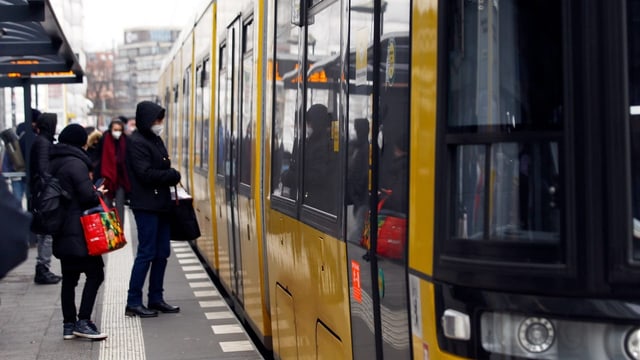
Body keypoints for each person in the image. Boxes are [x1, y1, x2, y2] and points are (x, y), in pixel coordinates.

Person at [49, 123, 108, 340]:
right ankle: (83, 321)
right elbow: (86, 196)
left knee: (69, 278)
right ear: (79, 142)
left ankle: (68, 325)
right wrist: (97, 191)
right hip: (79, 231)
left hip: (61, 229)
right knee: (95, 274)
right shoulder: (76, 164)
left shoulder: (54, 162)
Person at [125, 101, 181, 318]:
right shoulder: (137, 142)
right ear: (147, 120)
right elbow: (145, 174)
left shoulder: (155, 139)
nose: (160, 124)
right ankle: (133, 301)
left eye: (161, 119)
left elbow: (160, 166)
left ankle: (156, 298)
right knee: (146, 252)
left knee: (161, 253)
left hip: (161, 205)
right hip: (146, 205)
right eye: (157, 120)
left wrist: (168, 174)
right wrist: (172, 175)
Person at [29, 112, 62, 285]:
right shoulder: (43, 143)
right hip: (45, 195)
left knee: (44, 233)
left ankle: (42, 268)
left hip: (41, 193)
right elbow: (43, 170)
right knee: (47, 233)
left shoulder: (41, 141)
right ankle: (43, 268)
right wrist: (55, 188)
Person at [302, 104, 337, 213]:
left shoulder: (322, 146)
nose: (308, 126)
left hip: (317, 205)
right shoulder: (318, 142)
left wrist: (290, 177)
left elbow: (316, 176)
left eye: (309, 123)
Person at [96, 119, 130, 224]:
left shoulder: (126, 140)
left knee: (120, 206)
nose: (117, 132)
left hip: (121, 179)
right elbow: (98, 159)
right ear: (110, 129)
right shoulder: (104, 139)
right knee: (106, 205)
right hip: (107, 178)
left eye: (119, 130)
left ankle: (120, 232)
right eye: (115, 129)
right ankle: (108, 231)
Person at [347, 118, 370, 243]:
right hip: (359, 197)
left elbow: (360, 175)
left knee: (358, 232)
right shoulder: (357, 147)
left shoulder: (363, 149)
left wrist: (355, 195)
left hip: (362, 198)